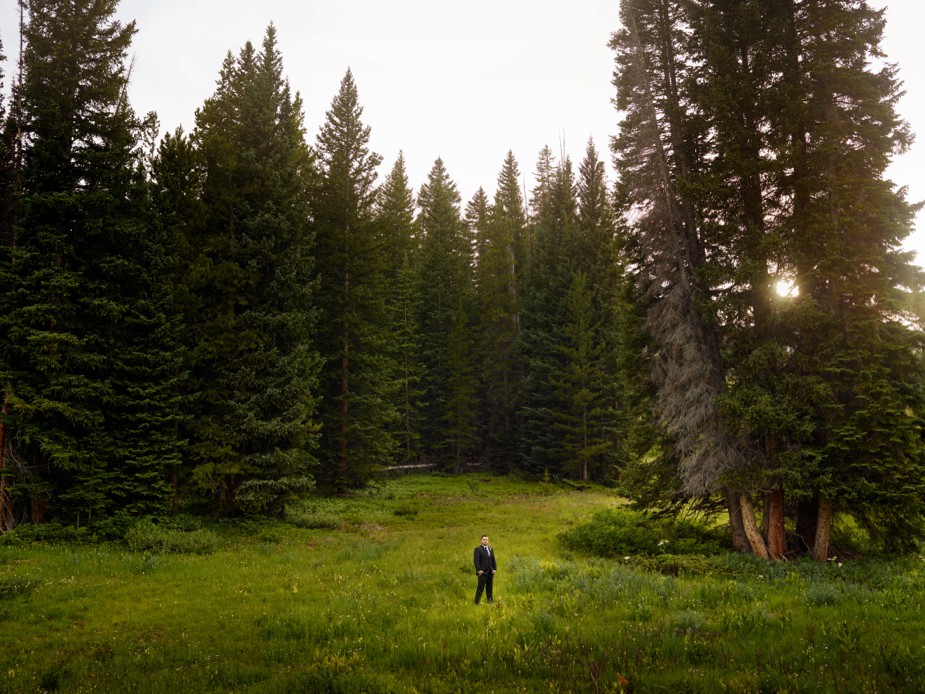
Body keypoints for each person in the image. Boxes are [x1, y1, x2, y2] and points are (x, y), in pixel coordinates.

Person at [473, 534, 497, 604]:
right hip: (482, 572)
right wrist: (479, 570)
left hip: (490, 572)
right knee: (480, 588)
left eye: (486, 539)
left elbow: (493, 560)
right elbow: (476, 561)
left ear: (488, 541)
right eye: (484, 539)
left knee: (489, 587)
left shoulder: (490, 549)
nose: (485, 541)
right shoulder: (478, 549)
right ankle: (476, 602)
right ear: (481, 541)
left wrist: (494, 569)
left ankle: (490, 601)